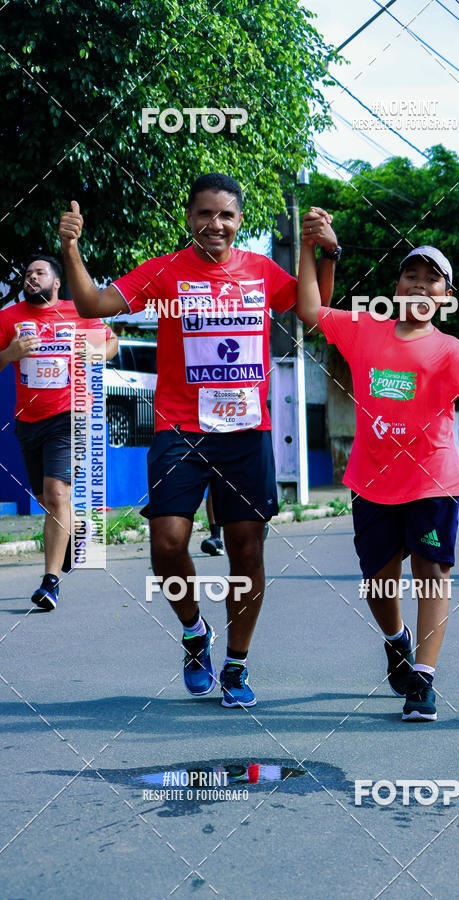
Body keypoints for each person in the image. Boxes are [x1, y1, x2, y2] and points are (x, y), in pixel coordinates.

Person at [58, 173, 339, 707]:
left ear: (239, 221)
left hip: (246, 431)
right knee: (166, 544)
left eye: (226, 215)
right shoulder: (164, 270)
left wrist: (326, 253)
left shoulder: (260, 270)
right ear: (189, 218)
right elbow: (92, 304)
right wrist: (71, 248)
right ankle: (194, 631)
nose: (216, 224)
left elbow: (314, 307)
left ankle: (236, 664)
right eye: (205, 213)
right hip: (180, 429)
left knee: (246, 549)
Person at [297, 242, 459, 721]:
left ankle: (423, 677)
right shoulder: (364, 328)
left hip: (433, 479)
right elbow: (308, 311)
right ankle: (396, 640)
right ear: (397, 287)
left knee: (433, 573)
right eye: (411, 276)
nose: (420, 286)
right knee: (379, 583)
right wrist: (309, 247)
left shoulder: (450, 349)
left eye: (432, 280)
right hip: (372, 481)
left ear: (446, 296)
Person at [0, 255, 118, 610]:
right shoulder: (9, 317)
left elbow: (112, 343)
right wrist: (10, 352)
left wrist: (95, 353)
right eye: (27, 273)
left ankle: (50, 582)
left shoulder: (78, 311)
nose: (31, 278)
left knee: (56, 494)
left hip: (71, 415)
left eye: (40, 272)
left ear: (55, 281)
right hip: (29, 419)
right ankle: (78, 527)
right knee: (45, 498)